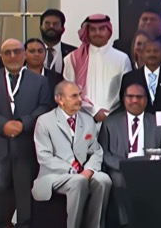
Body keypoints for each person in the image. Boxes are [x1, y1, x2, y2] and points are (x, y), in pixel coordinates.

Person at [0, 39, 51, 228]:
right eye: (7, 52)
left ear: (24, 54)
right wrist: (3, 125)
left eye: (17, 51)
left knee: (25, 198)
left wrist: (23, 123)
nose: (13, 56)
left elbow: (45, 107)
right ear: (1, 56)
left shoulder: (40, 81)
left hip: (26, 148)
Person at [32, 81, 112, 228]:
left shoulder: (87, 120)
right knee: (78, 181)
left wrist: (89, 170)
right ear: (59, 99)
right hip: (54, 175)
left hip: (82, 172)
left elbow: (96, 150)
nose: (79, 100)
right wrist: (73, 170)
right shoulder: (44, 121)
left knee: (103, 180)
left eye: (80, 95)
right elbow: (44, 157)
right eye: (74, 96)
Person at [98, 83, 161, 227]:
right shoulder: (110, 122)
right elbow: (103, 152)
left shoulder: (157, 122)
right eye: (130, 96)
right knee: (118, 180)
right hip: (120, 168)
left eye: (139, 97)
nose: (134, 100)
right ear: (124, 99)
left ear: (146, 100)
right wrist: (123, 165)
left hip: (148, 167)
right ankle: (126, 223)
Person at [63, 15, 131, 125]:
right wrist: (94, 111)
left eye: (102, 29)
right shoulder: (72, 59)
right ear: (87, 32)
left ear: (109, 31)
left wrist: (110, 115)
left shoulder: (122, 59)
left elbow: (127, 92)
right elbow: (69, 92)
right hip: (81, 120)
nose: (97, 33)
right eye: (93, 30)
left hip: (115, 121)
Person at [119, 39, 161, 113]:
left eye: (156, 51)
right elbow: (124, 104)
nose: (152, 54)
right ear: (142, 54)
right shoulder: (129, 78)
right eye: (148, 51)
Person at [24, 39, 62, 107]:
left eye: (40, 51)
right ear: (24, 54)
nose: (36, 54)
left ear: (45, 53)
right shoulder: (16, 76)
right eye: (32, 51)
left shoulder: (57, 79)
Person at [39, 9, 76, 75]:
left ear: (63, 29)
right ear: (40, 27)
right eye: (47, 23)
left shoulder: (74, 53)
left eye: (55, 24)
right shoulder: (27, 52)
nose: (51, 26)